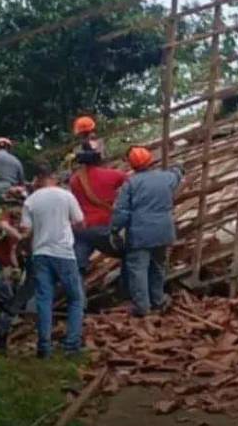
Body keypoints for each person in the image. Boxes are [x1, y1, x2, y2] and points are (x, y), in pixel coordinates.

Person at [21, 162, 85, 358]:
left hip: (40, 254)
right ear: (53, 177)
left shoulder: (30, 201)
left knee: (44, 300)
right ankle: (71, 346)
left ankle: (44, 347)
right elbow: (80, 221)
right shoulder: (66, 196)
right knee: (75, 299)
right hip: (64, 253)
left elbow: (26, 231)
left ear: (38, 179)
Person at [110, 146, 182, 317]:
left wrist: (114, 229)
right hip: (163, 231)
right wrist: (178, 168)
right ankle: (158, 300)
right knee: (158, 267)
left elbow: (122, 212)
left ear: (132, 165)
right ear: (151, 161)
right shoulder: (166, 178)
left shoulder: (131, 183)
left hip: (140, 233)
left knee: (138, 270)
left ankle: (142, 307)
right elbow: (177, 175)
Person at [0, 185, 35, 354]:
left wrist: (15, 267)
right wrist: (20, 237)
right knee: (8, 303)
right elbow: (3, 225)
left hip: (0, 266)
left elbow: (13, 251)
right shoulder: (3, 216)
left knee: (3, 303)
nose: (16, 209)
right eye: (13, 204)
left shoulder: (21, 222)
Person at [69, 141, 127, 276]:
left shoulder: (74, 180)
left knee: (77, 266)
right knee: (130, 253)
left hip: (82, 228)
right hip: (103, 227)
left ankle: (77, 286)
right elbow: (130, 185)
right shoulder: (114, 175)